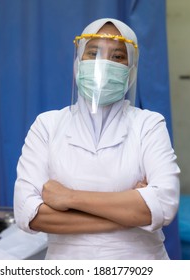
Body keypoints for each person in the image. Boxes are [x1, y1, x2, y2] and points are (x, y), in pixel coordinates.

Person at [13, 18, 180, 260]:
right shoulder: (47, 125)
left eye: (117, 57)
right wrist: (130, 213)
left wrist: (68, 198)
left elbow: (164, 206)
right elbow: (28, 214)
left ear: (131, 70)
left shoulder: (148, 124)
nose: (104, 64)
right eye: (93, 53)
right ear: (78, 61)